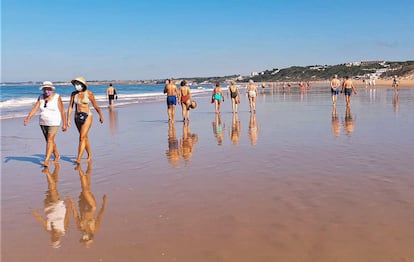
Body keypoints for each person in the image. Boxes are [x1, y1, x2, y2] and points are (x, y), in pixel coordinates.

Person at [24, 81, 67, 167]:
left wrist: (64, 123)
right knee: (49, 141)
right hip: (43, 122)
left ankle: (46, 160)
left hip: (54, 122)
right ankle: (57, 155)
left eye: (48, 89)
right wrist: (28, 118)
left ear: (52, 89)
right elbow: (35, 108)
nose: (46, 91)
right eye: (45, 89)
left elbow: (62, 110)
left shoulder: (57, 97)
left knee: (50, 140)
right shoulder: (40, 97)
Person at [32, 163, 72, 248]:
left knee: (53, 186)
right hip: (58, 205)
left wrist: (36, 215)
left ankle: (56, 168)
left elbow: (42, 220)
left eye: (53, 238)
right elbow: (68, 216)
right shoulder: (63, 228)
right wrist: (69, 205)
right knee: (52, 188)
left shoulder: (48, 229)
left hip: (47, 205)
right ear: (59, 238)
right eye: (56, 238)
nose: (55, 236)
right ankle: (47, 172)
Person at [67, 76, 104, 164]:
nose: (76, 86)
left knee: (81, 137)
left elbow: (95, 105)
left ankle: (79, 158)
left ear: (82, 85)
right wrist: (68, 119)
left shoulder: (89, 93)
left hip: (87, 116)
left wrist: (100, 115)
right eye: (75, 84)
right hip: (77, 117)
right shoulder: (73, 94)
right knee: (84, 137)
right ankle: (89, 155)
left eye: (78, 84)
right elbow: (70, 107)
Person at [70, 162, 107, 247]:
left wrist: (72, 203)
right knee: (85, 190)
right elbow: (100, 215)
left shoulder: (80, 227)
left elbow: (76, 216)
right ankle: (80, 171)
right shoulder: (95, 228)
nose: (83, 237)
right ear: (90, 237)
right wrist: (104, 202)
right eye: (85, 238)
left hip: (82, 206)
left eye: (83, 238)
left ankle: (88, 169)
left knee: (87, 187)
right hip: (91, 206)